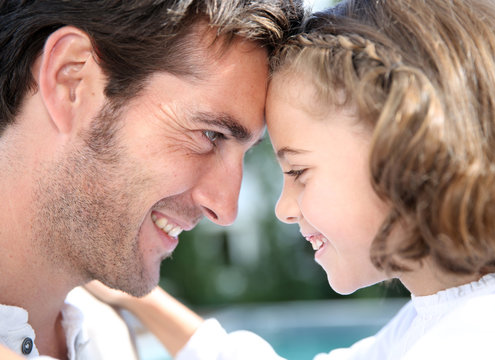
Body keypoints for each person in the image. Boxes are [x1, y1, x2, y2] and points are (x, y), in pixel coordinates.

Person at [86, 0, 495, 358]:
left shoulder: (490, 339)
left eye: (299, 171)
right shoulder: (451, 314)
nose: (284, 207)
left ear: (414, 145)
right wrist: (133, 296)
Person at [0, 0, 302, 358]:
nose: (225, 208)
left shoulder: (111, 339)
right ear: (71, 80)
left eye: (247, 154)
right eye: (211, 135)